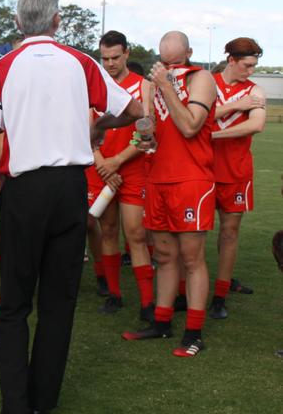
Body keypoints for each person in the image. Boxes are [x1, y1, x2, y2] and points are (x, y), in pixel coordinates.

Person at [0, 0, 141, 414]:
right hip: (70, 187)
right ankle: (43, 402)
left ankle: (15, 404)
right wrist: (99, 125)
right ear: (56, 21)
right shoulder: (82, 62)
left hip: (23, 189)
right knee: (57, 302)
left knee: (13, 303)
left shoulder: (2, 66)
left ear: (18, 23)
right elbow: (134, 110)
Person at [122, 31, 217, 358]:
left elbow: (191, 125)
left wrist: (166, 85)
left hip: (191, 181)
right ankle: (161, 321)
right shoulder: (153, 85)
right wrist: (144, 141)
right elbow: (151, 133)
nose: (168, 67)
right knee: (163, 255)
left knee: (192, 258)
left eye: (174, 61)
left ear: (188, 53)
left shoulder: (201, 78)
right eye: (163, 62)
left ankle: (194, 332)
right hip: (158, 179)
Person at [89, 30, 154, 322]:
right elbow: (84, 131)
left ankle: (147, 302)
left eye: (115, 57)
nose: (110, 63)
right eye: (105, 58)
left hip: (132, 168)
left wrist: (116, 161)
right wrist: (102, 162)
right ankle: (114, 294)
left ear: (127, 53)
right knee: (108, 231)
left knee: (136, 233)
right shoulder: (93, 87)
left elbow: (147, 135)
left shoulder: (145, 87)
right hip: (100, 168)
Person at [209, 38, 266, 319]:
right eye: (247, 65)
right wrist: (235, 105)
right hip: (203, 170)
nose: (251, 71)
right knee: (190, 235)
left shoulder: (255, 90)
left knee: (229, 232)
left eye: (254, 65)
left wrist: (212, 135)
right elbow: (198, 115)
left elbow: (256, 124)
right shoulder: (206, 83)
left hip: (236, 172)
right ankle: (183, 291)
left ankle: (220, 296)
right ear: (231, 59)